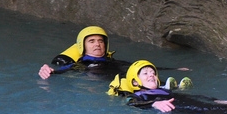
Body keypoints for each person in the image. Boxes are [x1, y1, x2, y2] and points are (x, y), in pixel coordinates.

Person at [38, 25, 189, 83]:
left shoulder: (114, 61)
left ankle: (167, 85)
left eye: (100, 41)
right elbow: (61, 72)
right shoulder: (81, 65)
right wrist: (49, 72)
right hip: (110, 84)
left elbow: (137, 67)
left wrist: (175, 69)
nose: (97, 44)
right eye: (91, 41)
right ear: (82, 46)